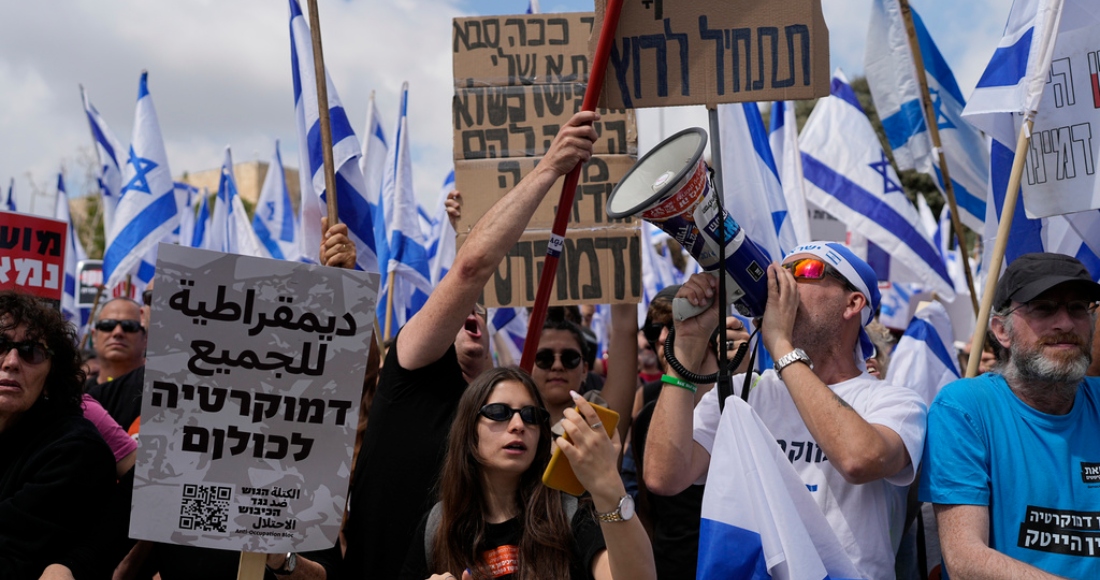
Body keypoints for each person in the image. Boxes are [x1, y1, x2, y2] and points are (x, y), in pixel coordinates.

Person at [342, 110, 600, 580]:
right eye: (460, 314)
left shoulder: (504, 431)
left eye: (478, 314)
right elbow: (470, 267)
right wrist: (549, 168)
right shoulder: (412, 369)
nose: (471, 320)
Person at [645, 242, 928, 580]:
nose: (783, 282)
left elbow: (859, 459)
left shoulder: (894, 402)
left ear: (853, 303)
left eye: (805, 270)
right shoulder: (745, 393)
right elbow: (664, 477)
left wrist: (781, 344)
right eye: (780, 271)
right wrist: (686, 350)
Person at [920, 252, 1100, 578]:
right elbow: (964, 559)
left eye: (1078, 308)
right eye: (1043, 308)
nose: (1066, 323)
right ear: (1001, 331)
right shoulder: (964, 408)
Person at [399, 367, 656, 580]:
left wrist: (608, 487)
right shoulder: (438, 525)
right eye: (499, 413)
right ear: (469, 430)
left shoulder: (570, 513)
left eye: (531, 416)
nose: (519, 425)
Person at [0, 291, 116, 579]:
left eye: (31, 352)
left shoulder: (73, 449)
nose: (12, 361)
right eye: (0, 345)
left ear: (51, 377)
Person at [86, 297, 147, 433]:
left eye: (129, 326)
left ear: (146, 338)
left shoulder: (155, 395)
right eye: (107, 325)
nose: (118, 332)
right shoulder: (77, 395)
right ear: (94, 336)